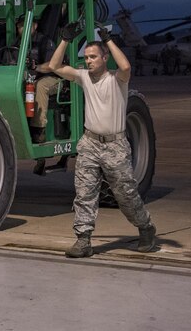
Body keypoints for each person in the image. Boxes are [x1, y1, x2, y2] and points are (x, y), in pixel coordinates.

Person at [48, 23, 158, 258]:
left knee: (125, 194)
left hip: (115, 146)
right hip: (89, 143)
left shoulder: (117, 79)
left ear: (104, 58)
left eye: (93, 57)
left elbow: (126, 65)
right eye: (86, 57)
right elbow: (54, 66)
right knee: (84, 192)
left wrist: (108, 40)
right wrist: (65, 40)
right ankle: (83, 240)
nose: (88, 61)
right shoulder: (84, 77)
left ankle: (145, 226)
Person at [11, 16, 60, 146]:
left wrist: (35, 67)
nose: (24, 28)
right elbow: (9, 63)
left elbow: (52, 65)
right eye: (21, 25)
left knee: (40, 86)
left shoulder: (45, 41)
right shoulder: (15, 45)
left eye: (28, 24)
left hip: (53, 78)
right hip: (25, 80)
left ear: (35, 25)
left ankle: (38, 130)